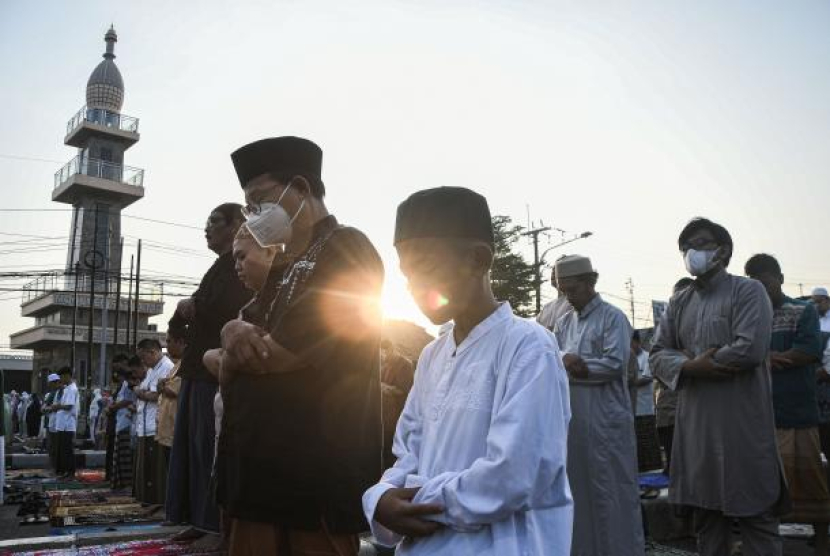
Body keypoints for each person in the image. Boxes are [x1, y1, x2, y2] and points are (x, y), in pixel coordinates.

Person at [364, 186, 573, 555]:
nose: (413, 286)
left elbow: (511, 476)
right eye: (406, 273)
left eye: (424, 267)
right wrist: (379, 498)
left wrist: (413, 499)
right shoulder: (431, 356)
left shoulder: (528, 346)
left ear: (477, 260)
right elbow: (407, 454)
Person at [218, 136, 384, 555]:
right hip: (260, 480)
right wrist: (228, 333)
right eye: (249, 207)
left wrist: (230, 350)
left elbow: (276, 355)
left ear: (301, 190)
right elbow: (241, 337)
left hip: (311, 483)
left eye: (260, 200)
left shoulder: (348, 249)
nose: (254, 215)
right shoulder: (286, 263)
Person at [651, 218, 787, 556]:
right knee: (707, 518)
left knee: (756, 515)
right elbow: (656, 355)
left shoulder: (749, 290)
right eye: (686, 248)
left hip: (742, 424)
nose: (692, 252)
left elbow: (750, 348)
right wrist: (691, 366)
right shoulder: (679, 302)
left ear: (722, 250)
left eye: (700, 243)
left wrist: (691, 362)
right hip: (696, 428)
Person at [166, 202, 251, 535]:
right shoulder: (218, 267)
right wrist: (185, 308)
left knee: (207, 450)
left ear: (236, 225)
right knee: (191, 449)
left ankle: (214, 524)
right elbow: (193, 309)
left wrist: (192, 305)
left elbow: (228, 309)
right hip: (195, 370)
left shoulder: (237, 266)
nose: (207, 228)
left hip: (212, 370)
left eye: (214, 222)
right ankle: (197, 520)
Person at [553, 254, 644, 556]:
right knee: (578, 493)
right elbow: (553, 362)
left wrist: (577, 366)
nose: (568, 296)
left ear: (590, 282)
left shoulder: (613, 317)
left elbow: (615, 364)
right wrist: (567, 363)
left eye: (573, 289)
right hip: (574, 425)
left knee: (613, 493)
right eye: (563, 290)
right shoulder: (563, 322)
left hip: (607, 423)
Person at [745, 254, 829, 555]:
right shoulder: (749, 317)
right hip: (760, 416)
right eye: (755, 284)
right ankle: (767, 543)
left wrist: (764, 360)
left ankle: (822, 543)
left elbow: (808, 350)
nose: (763, 289)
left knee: (812, 480)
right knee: (764, 485)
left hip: (799, 413)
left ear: (780, 279)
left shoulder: (803, 309)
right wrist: (764, 359)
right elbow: (743, 354)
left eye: (767, 282)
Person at [654, 277, 694, 476]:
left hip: (696, 405)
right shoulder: (665, 327)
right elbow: (657, 363)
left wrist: (677, 361)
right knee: (673, 464)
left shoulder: (704, 324)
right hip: (668, 406)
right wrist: (686, 361)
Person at [134, 338, 174, 504]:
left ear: (153, 352)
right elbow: (147, 391)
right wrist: (143, 392)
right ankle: (149, 501)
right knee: (147, 469)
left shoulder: (166, 367)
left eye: (144, 357)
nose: (143, 362)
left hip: (157, 425)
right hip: (145, 425)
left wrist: (139, 392)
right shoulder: (152, 369)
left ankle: (159, 503)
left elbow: (156, 395)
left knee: (157, 470)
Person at [156, 326, 186, 496]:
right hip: (167, 429)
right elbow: (163, 386)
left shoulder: (185, 365)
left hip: (175, 430)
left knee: (175, 473)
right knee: (169, 472)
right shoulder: (176, 366)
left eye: (169, 341)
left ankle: (176, 512)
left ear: (181, 342)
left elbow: (171, 390)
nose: (167, 346)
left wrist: (162, 385)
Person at [379, 339, 415, 469]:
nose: (384, 356)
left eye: (386, 352)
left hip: (399, 413)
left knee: (395, 448)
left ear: (392, 349)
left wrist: (385, 388)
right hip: (386, 414)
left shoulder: (405, 365)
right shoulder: (384, 364)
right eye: (381, 353)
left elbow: (406, 390)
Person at [110, 359, 137, 490]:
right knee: (121, 454)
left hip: (127, 422)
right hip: (122, 421)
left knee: (125, 455)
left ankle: (127, 482)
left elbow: (127, 400)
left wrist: (113, 406)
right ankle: (121, 482)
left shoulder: (129, 385)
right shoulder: (123, 386)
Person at [104, 354, 130, 481]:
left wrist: (113, 407)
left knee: (122, 453)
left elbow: (127, 400)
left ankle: (120, 480)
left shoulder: (128, 382)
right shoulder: (120, 385)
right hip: (115, 420)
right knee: (112, 450)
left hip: (124, 421)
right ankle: (111, 476)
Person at [53, 367, 79, 478]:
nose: (61, 379)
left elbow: (69, 406)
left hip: (67, 425)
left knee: (68, 450)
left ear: (67, 375)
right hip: (63, 424)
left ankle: (70, 473)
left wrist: (58, 406)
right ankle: (65, 472)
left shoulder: (72, 389)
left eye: (62, 377)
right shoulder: (67, 388)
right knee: (63, 450)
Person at [536, 259, 573, 331]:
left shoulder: (574, 303)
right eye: (553, 269)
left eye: (558, 269)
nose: (553, 272)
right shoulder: (546, 307)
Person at [41, 375, 61, 471]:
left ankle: (55, 467)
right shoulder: (53, 393)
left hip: (57, 424)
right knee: (52, 446)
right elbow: (44, 407)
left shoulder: (60, 392)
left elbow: (53, 407)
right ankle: (54, 467)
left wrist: (48, 408)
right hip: (51, 423)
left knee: (54, 447)